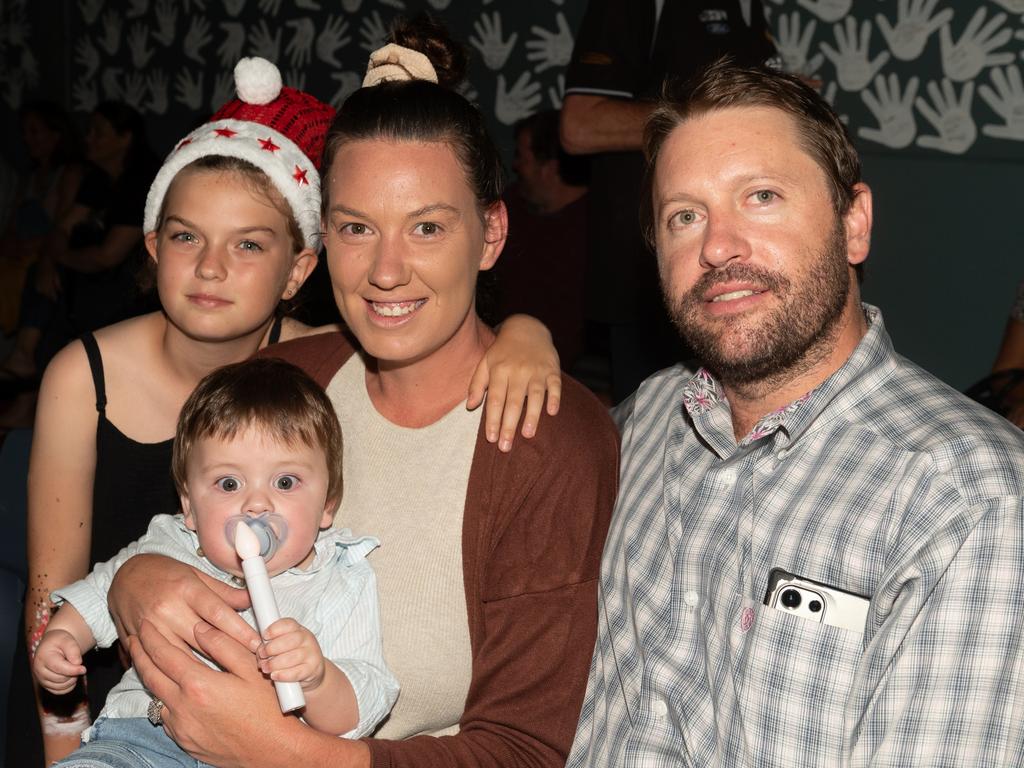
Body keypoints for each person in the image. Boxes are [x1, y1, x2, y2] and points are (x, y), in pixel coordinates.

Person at [107, 17, 619, 768]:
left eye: (427, 228)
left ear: (492, 233)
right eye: (355, 228)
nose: (384, 271)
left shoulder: (546, 440)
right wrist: (134, 580)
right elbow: (182, 533)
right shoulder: (292, 379)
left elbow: (525, 753)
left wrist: (282, 749)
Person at [568, 59, 1024, 766]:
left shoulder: (968, 495)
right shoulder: (648, 418)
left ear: (854, 224)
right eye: (684, 216)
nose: (717, 246)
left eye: (762, 196)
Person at [33, 357, 399, 766]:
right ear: (189, 505)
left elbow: (365, 705)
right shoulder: (172, 542)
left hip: (266, 752)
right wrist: (64, 636)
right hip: (143, 739)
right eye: (229, 483)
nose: (257, 503)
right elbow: (104, 587)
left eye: (285, 482)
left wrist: (318, 679)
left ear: (327, 505)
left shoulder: (341, 579)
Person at [561, 0, 777, 402]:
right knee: (658, 440)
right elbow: (579, 125)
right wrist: (723, 116)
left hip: (744, 260)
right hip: (653, 276)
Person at [494, 110, 589, 373]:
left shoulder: (595, 228)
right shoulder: (508, 209)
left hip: (562, 374)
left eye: (522, 157)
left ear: (549, 167)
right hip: (495, 353)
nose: (515, 166)